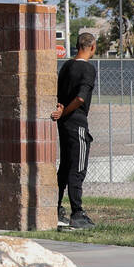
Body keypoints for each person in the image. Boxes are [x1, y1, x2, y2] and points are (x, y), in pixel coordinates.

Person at [51, 32, 97, 230]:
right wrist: (66, 112)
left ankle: (56, 208)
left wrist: (61, 110)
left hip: (64, 124)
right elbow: (80, 98)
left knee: (65, 167)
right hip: (76, 122)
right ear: (92, 47)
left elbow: (58, 92)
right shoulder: (87, 69)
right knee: (77, 168)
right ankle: (77, 214)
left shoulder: (67, 66)